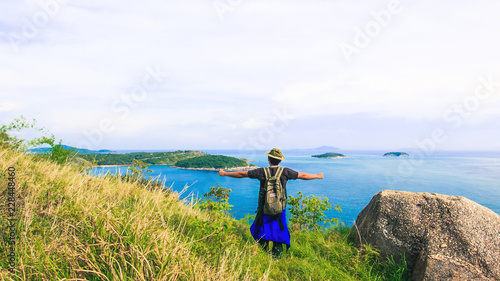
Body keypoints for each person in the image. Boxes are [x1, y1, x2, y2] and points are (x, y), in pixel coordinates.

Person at [218, 148, 323, 257]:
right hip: (279, 209)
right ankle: (276, 258)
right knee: (278, 233)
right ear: (280, 161)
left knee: (263, 231)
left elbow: (242, 174)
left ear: (269, 159)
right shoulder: (285, 172)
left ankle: (263, 255)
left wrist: (225, 173)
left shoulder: (262, 172)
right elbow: (303, 176)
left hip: (264, 208)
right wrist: (317, 176)